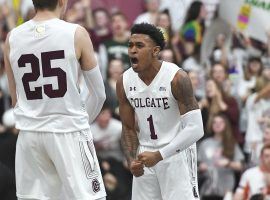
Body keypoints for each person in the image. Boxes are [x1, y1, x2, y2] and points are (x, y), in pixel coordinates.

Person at [4, 0, 107, 199]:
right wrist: (82, 123)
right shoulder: (76, 32)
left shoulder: (12, 37)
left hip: (30, 134)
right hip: (68, 132)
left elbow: (15, 98)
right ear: (62, 1)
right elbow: (99, 93)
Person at [116, 22, 204, 200]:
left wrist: (160, 155)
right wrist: (131, 159)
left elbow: (196, 128)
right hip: (145, 153)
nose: (133, 50)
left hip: (176, 154)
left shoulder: (177, 78)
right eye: (130, 45)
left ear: (155, 51)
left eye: (139, 46)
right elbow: (128, 128)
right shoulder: (124, 81)